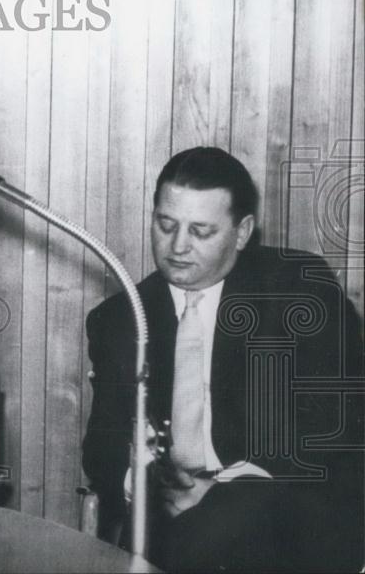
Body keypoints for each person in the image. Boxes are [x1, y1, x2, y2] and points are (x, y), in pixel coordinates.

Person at [83, 147, 364, 571]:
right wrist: (147, 483)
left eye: (201, 231)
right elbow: (102, 446)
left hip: (285, 508)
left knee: (215, 531)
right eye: (166, 225)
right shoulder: (122, 317)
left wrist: (223, 490)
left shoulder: (298, 292)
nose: (178, 246)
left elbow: (334, 422)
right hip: (171, 515)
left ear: (242, 231)